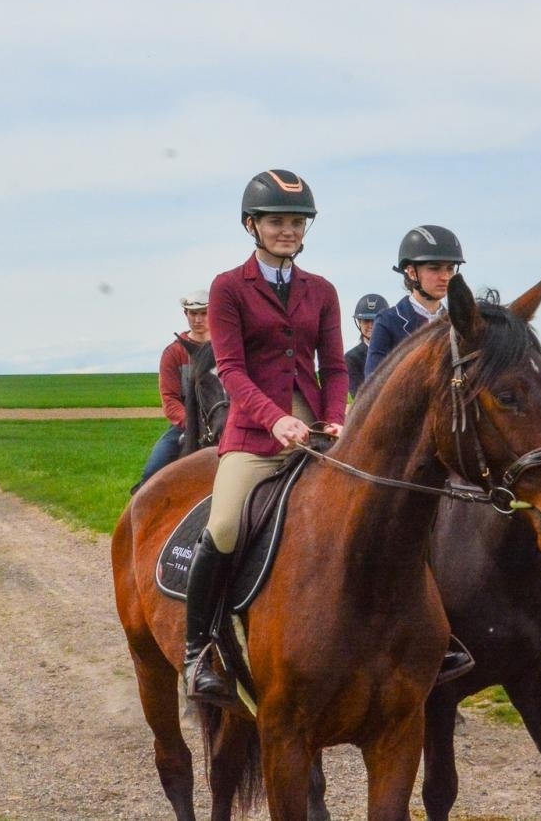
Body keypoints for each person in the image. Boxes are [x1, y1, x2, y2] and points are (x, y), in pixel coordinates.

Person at [182, 169, 348, 706]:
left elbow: (336, 366)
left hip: (317, 428)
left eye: (297, 222)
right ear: (252, 224)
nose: (288, 230)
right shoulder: (229, 288)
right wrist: (275, 419)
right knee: (225, 524)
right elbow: (230, 369)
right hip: (253, 430)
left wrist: (336, 417)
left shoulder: (321, 291)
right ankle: (198, 649)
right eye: (277, 221)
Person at [363, 224, 465, 380]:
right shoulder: (388, 321)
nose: (445, 277)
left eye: (450, 268)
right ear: (412, 273)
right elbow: (373, 380)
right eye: (435, 268)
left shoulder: (457, 323)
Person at [136, 290, 212, 487]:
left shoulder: (227, 349)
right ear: (185, 314)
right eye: (193, 313)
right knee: (152, 473)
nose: (198, 319)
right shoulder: (174, 353)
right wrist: (193, 423)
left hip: (223, 422)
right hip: (186, 425)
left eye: (204, 313)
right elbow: (170, 400)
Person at [343, 292, 389, 398]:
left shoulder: (395, 351)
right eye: (366, 321)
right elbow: (358, 394)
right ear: (359, 322)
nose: (371, 325)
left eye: (375, 320)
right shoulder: (351, 358)